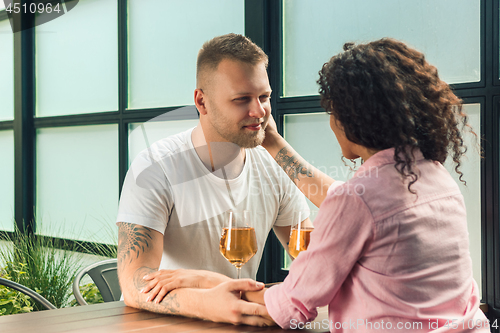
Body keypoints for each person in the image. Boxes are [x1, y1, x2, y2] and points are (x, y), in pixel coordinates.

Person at [241, 38, 488, 332]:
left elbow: (291, 306)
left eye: (331, 113)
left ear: (350, 119)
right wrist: (274, 143)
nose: (331, 123)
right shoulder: (435, 176)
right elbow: (355, 205)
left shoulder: (358, 201)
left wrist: (199, 286)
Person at [115, 33, 309, 325]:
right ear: (201, 101)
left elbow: (315, 261)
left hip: (237, 321)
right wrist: (209, 302)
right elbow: (135, 284)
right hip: (160, 324)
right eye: (242, 99)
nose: (259, 112)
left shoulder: (274, 166)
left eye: (264, 97)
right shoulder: (156, 165)